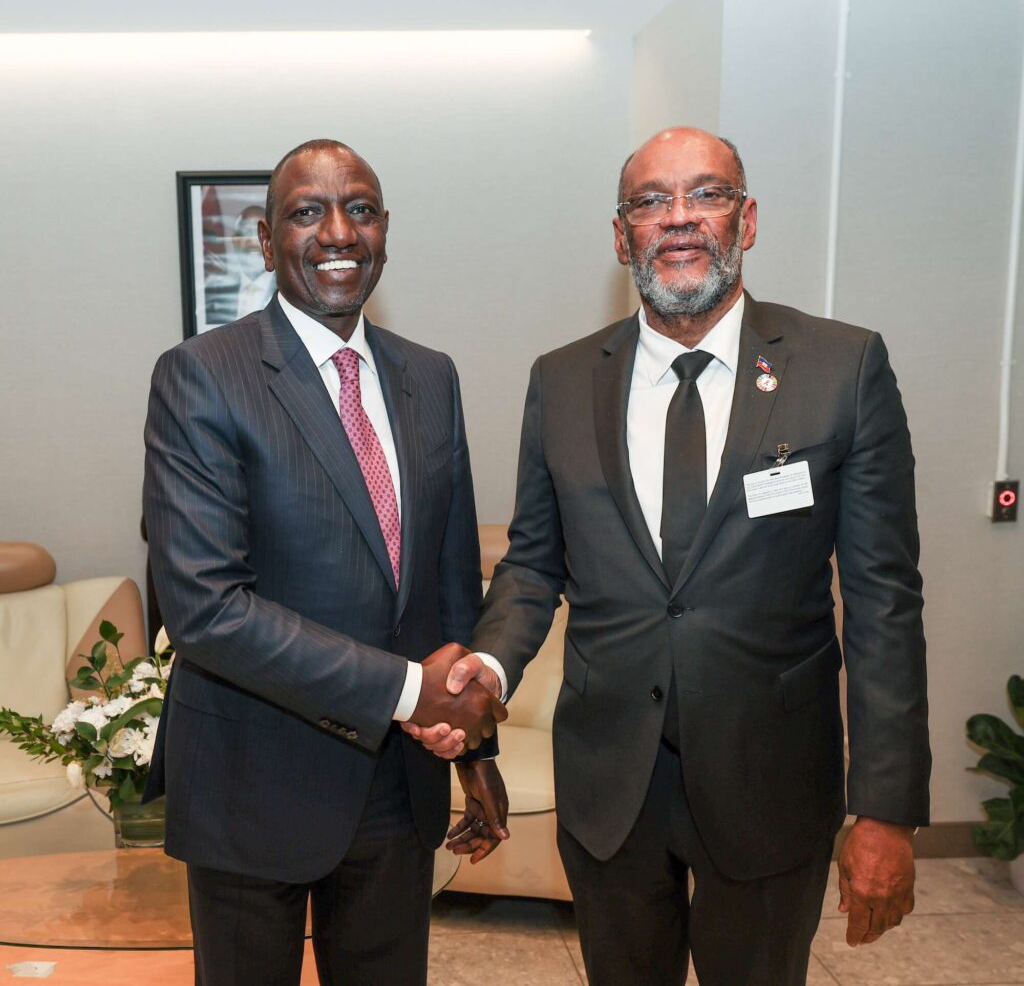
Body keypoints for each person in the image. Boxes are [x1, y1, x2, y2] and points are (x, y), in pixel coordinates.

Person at [406, 127, 930, 985]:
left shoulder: (842, 367)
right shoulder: (563, 379)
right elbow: (535, 560)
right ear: (622, 236)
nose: (679, 219)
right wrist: (492, 668)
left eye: (707, 194)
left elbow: (884, 603)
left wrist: (887, 808)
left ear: (747, 219)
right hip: (611, 784)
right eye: (651, 201)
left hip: (772, 783)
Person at [143, 138, 509, 986]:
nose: (338, 231)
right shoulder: (202, 376)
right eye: (308, 212)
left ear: (385, 231)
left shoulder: (431, 376)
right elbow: (204, 608)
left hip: (399, 782)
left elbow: (450, 584)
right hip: (252, 778)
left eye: (362, 209)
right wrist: (408, 689)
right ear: (268, 242)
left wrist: (472, 745)